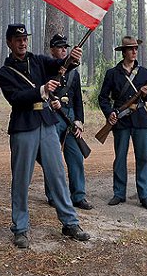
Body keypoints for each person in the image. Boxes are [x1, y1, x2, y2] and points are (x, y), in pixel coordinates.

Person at [0, 24, 91, 249]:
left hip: (46, 123)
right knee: (21, 181)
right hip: (23, 127)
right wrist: (41, 90)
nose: (22, 42)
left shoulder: (38, 60)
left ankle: (69, 222)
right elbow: (16, 98)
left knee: (57, 175)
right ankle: (20, 227)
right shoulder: (4, 73)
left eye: (25, 38)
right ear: (9, 42)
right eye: (17, 39)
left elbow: (60, 65)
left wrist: (73, 59)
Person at [98, 36, 147, 210]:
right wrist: (110, 114)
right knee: (120, 157)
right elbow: (103, 98)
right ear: (123, 52)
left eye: (135, 49)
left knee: (143, 158)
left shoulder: (144, 73)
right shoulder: (112, 73)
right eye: (130, 49)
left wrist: (146, 93)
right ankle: (119, 193)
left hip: (140, 119)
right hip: (121, 120)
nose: (134, 52)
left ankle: (144, 195)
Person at [44, 33, 93, 210]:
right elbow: (42, 93)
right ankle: (53, 195)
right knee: (52, 157)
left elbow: (78, 98)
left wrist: (79, 120)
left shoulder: (74, 74)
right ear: (52, 50)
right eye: (59, 47)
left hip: (70, 116)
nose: (64, 49)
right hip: (52, 115)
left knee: (75, 156)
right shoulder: (46, 70)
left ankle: (78, 195)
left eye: (65, 47)